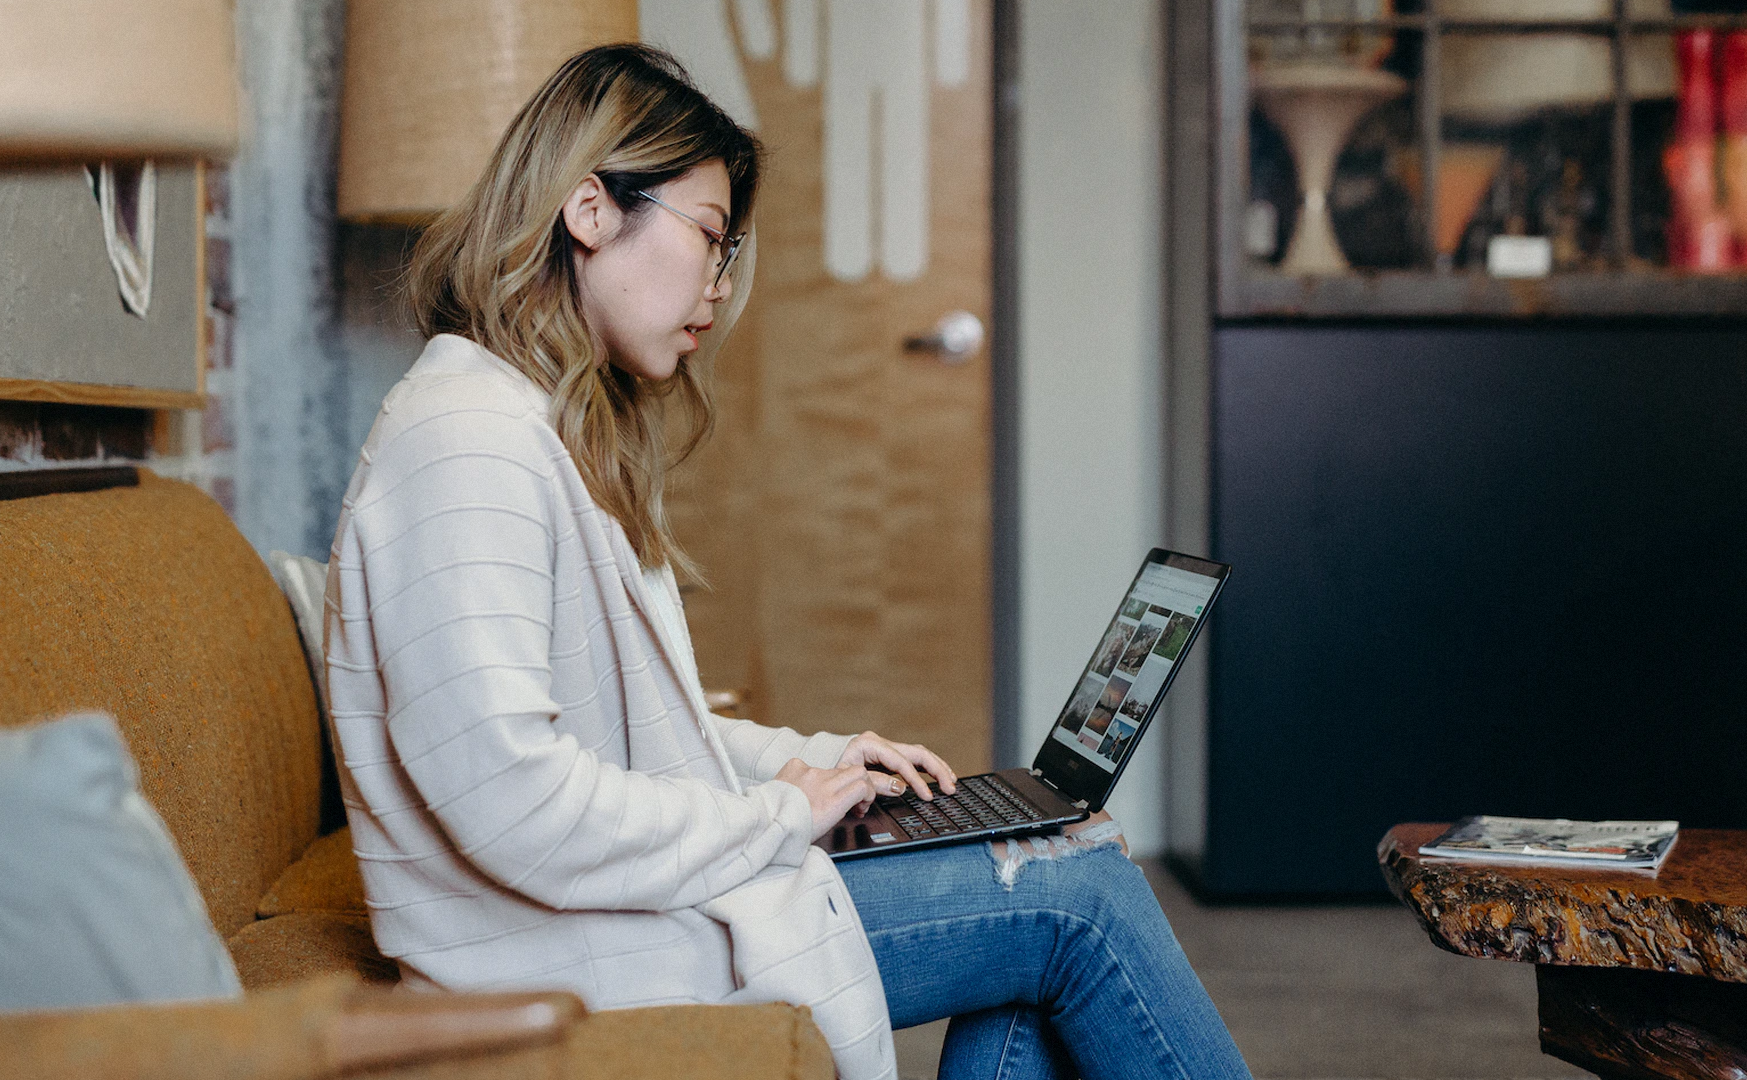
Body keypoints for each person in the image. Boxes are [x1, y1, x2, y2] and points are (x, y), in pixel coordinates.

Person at [324, 43, 1252, 1080]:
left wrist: (809, 761)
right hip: (570, 956)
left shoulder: (525, 428)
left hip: (614, 920)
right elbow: (516, 801)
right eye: (710, 238)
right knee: (1077, 896)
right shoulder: (465, 444)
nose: (719, 286)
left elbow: (620, 741)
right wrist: (780, 816)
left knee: (1061, 856)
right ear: (589, 211)